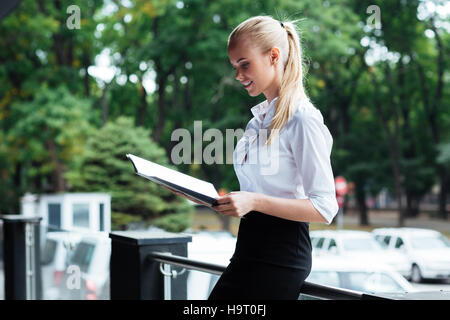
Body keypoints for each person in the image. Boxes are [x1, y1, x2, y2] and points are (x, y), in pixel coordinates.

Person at [166, 15, 338, 300]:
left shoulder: (303, 120)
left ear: (273, 56)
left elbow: (325, 207)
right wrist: (206, 198)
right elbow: (254, 193)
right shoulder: (257, 121)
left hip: (281, 258)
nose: (238, 75)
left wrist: (254, 201)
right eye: (235, 66)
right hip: (248, 250)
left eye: (244, 64)